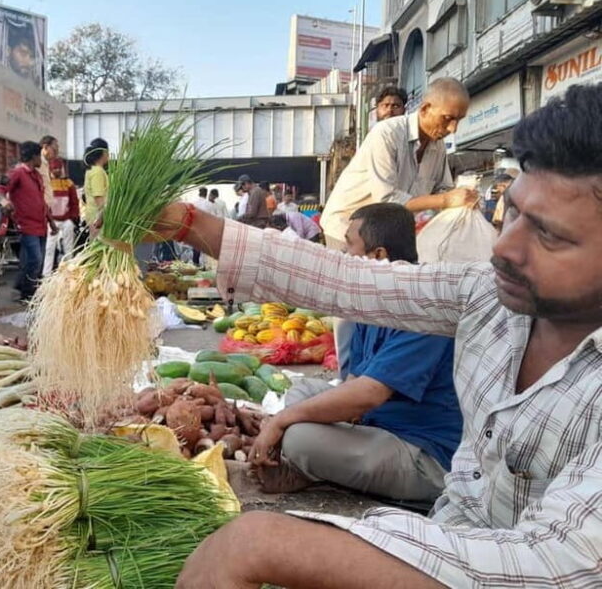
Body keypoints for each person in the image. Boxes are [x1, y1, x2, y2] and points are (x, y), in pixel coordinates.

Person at [152, 83, 602, 589]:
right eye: (513, 213)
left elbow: (562, 564)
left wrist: (267, 541)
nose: (504, 248)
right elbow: (347, 280)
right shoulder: (488, 295)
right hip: (443, 535)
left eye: (551, 235)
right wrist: (189, 225)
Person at [255, 203, 459, 505]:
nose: (344, 255)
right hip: (379, 425)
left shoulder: (425, 309)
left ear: (378, 256)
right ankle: (319, 467)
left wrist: (280, 422)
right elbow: (354, 381)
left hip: (423, 453)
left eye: (350, 245)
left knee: (299, 439)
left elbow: (368, 394)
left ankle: (315, 470)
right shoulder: (373, 300)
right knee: (303, 391)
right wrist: (292, 417)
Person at [321, 77, 478, 249]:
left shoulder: (438, 145)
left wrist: (462, 198)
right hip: (346, 227)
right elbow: (387, 199)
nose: (452, 129)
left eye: (458, 120)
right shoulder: (386, 134)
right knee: (356, 275)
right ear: (425, 109)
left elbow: (443, 190)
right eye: (447, 118)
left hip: (382, 232)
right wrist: (445, 200)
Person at [0, 141, 56, 302]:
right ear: (34, 157)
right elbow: (0, 188)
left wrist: (51, 222)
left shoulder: (36, 176)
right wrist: (4, 202)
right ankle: (28, 294)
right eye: (39, 156)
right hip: (26, 226)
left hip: (41, 226)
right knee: (35, 260)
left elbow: (41, 201)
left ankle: (23, 289)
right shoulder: (17, 173)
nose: (41, 161)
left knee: (33, 261)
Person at [39, 136, 79, 274]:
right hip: (52, 221)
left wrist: (74, 217)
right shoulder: (47, 182)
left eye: (58, 168)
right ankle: (46, 276)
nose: (56, 171)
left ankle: (69, 274)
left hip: (66, 221)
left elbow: (75, 202)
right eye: (54, 168)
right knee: (49, 249)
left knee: (69, 249)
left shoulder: (69, 184)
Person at [83, 138, 109, 238]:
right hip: (98, 218)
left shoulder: (93, 170)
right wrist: (100, 217)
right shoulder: (97, 172)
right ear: (103, 152)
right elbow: (99, 198)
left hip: (96, 216)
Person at [191, 187, 213, 266]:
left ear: (199, 193)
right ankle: (204, 266)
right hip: (205, 228)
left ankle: (195, 265)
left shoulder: (193, 203)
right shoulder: (209, 204)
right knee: (205, 249)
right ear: (206, 194)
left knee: (196, 248)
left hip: (195, 228)